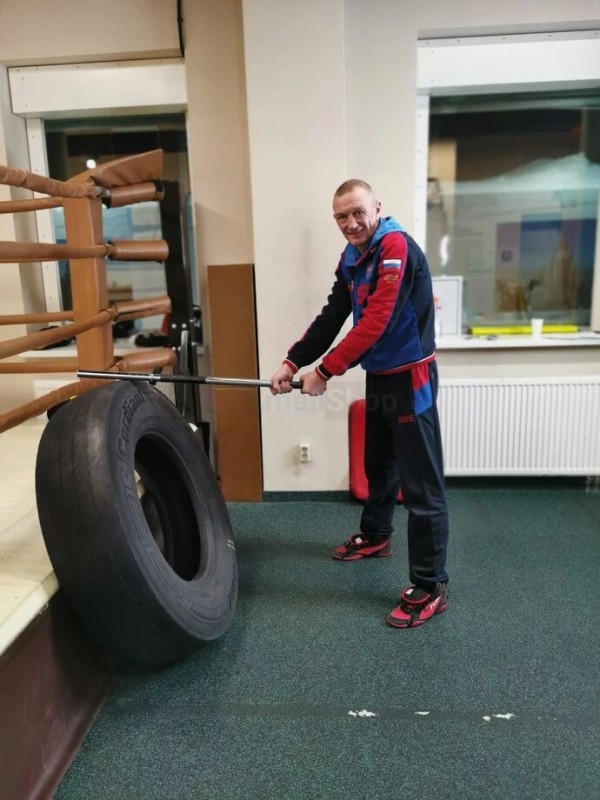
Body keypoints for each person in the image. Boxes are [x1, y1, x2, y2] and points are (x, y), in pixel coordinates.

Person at [270, 179, 449, 629]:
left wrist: (325, 371)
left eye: (357, 213)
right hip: (380, 375)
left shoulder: (395, 247)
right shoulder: (353, 256)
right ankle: (376, 535)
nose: (350, 224)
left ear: (377, 208)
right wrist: (293, 361)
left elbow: (376, 322)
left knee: (421, 486)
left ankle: (430, 586)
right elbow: (334, 313)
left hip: (411, 376)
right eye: (341, 217)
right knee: (379, 464)